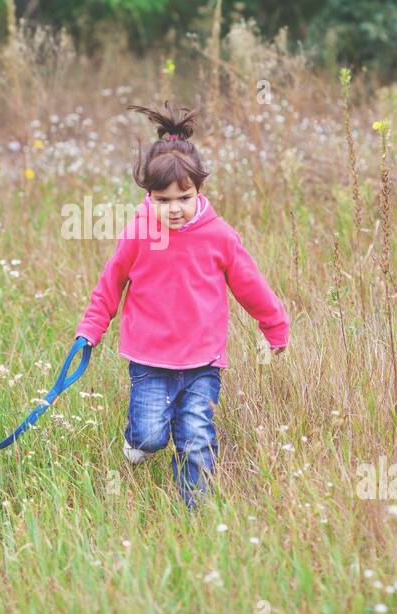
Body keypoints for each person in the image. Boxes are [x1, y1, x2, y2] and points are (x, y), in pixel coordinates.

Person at [75, 101, 290, 508]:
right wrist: (91, 328)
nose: (174, 209)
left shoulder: (219, 236)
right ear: (148, 196)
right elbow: (110, 284)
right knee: (151, 436)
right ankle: (137, 437)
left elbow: (251, 285)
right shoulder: (138, 233)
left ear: (199, 190)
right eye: (162, 200)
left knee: (195, 437)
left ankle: (195, 511)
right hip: (150, 359)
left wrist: (274, 326)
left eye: (183, 198)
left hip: (202, 361)